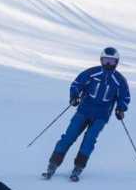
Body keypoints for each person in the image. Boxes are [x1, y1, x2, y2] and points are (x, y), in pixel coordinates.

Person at [43, 47, 131, 181]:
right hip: (84, 111)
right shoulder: (91, 73)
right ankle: (53, 164)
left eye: (112, 62)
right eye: (106, 60)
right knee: (69, 136)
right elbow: (77, 84)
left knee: (89, 140)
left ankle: (78, 167)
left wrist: (120, 109)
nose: (108, 64)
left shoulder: (119, 80)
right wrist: (74, 96)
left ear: (116, 62)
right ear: (101, 60)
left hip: (101, 116)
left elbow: (124, 97)